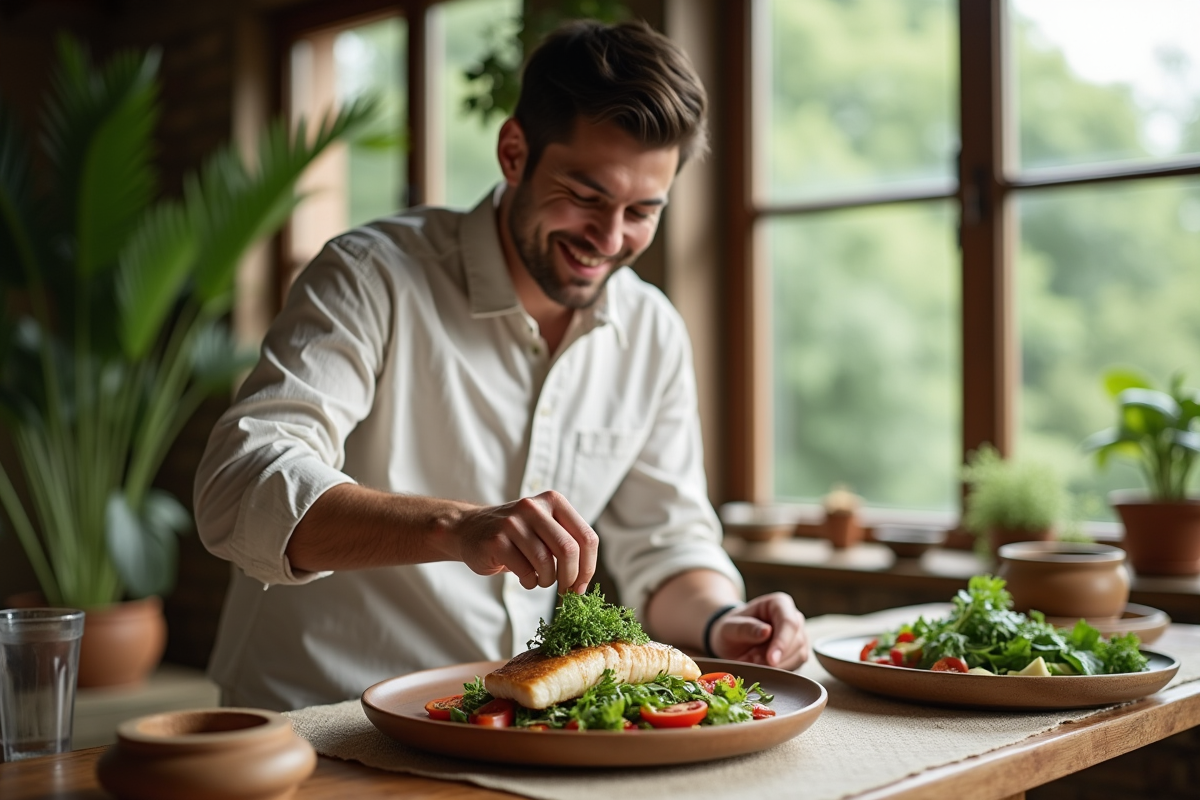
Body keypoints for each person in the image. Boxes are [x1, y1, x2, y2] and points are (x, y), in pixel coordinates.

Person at [194, 18, 810, 712]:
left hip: (506, 728)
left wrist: (723, 620)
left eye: (642, 210)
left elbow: (666, 544)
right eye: (585, 196)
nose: (609, 239)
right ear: (514, 153)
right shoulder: (371, 276)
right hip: (317, 718)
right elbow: (238, 487)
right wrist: (457, 528)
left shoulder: (652, 330)